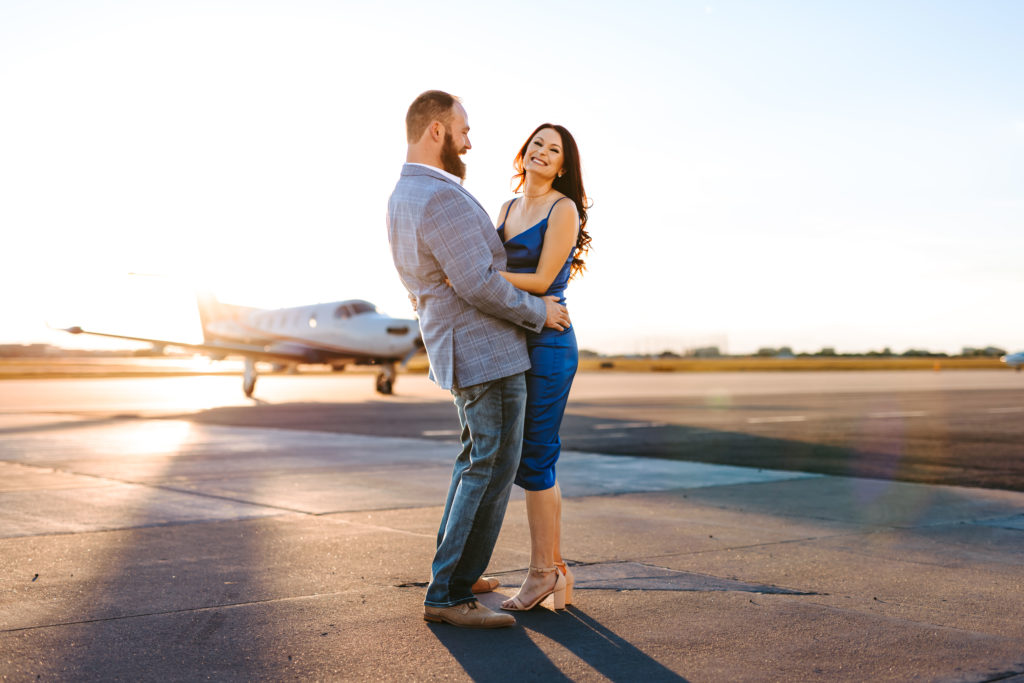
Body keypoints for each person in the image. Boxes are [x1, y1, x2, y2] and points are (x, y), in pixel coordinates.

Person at [386, 91, 571, 629]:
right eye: (464, 129)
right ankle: (447, 596)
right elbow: (478, 284)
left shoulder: (406, 192)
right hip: (484, 350)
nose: (471, 139)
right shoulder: (440, 196)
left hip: (460, 347)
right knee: (487, 469)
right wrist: (540, 313)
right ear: (438, 132)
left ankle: (459, 576)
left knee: (474, 463)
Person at [492, 123, 591, 612]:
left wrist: (481, 277)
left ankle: (539, 575)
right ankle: (555, 571)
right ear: (524, 151)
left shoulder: (563, 208)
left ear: (563, 165)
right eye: (537, 144)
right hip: (514, 339)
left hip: (549, 344)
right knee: (532, 460)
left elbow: (543, 278)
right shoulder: (508, 208)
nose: (542, 153)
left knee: (535, 460)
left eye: (554, 150)